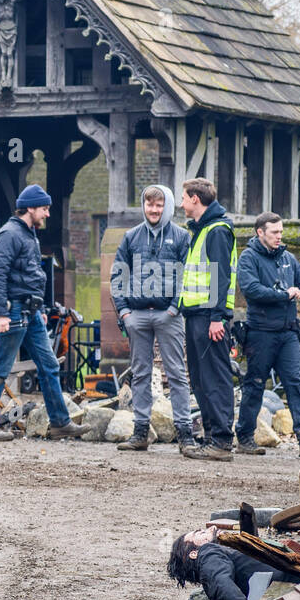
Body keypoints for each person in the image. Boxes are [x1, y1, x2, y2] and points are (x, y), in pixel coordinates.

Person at [0, 185, 84, 442]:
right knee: (0, 366)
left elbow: (31, 274)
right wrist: (0, 314)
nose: (46, 214)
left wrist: (41, 310)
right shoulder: (10, 234)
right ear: (31, 208)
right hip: (15, 311)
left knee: (49, 365)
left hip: (30, 312)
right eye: (44, 209)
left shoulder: (28, 233)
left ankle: (60, 423)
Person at [111, 184, 192, 452]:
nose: (153, 210)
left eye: (159, 205)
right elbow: (118, 276)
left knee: (177, 374)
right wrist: (124, 312)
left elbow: (186, 277)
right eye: (149, 204)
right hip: (137, 315)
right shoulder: (131, 237)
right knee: (140, 374)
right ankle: (140, 433)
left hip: (168, 315)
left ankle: (185, 435)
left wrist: (174, 308)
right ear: (143, 206)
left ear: (167, 206)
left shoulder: (181, 237)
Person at [235, 213, 300, 458]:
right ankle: (245, 437)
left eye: (281, 232)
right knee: (255, 384)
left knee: (296, 382)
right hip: (260, 333)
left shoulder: (287, 257)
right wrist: (285, 294)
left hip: (288, 333)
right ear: (260, 232)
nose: (279, 236)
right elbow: (251, 290)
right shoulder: (249, 258)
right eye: (274, 232)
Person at [178, 177, 238, 461]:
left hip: (208, 317)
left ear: (194, 199)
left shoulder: (216, 231)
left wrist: (217, 318)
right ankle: (213, 436)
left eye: (183, 197)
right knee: (201, 379)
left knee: (214, 377)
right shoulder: (202, 230)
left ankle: (222, 440)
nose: (181, 203)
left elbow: (219, 277)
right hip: (197, 314)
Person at [168, 526, 300, 600]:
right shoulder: (207, 552)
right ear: (193, 554)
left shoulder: (219, 552)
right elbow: (219, 581)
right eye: (201, 533)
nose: (212, 528)